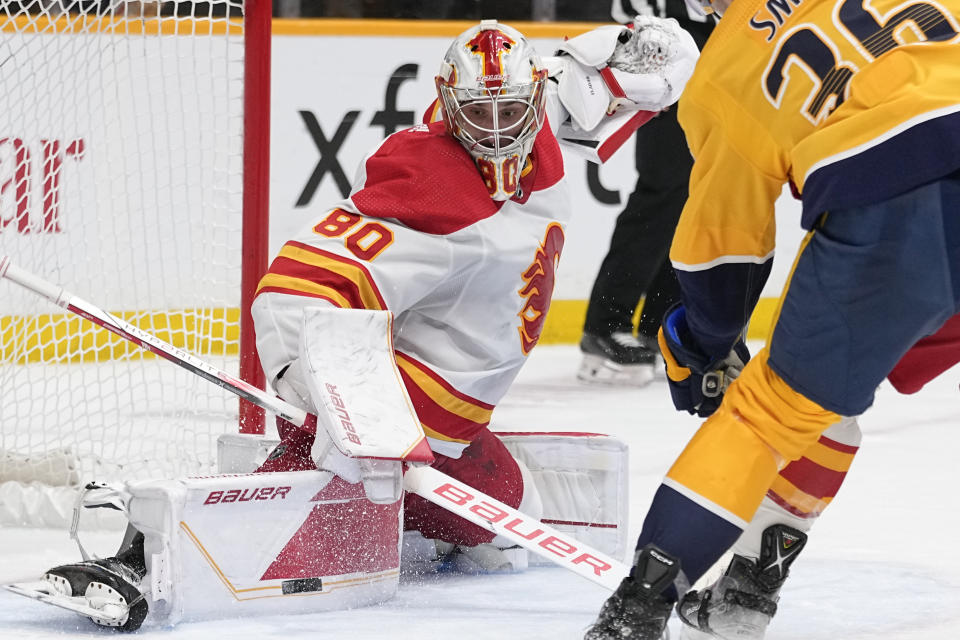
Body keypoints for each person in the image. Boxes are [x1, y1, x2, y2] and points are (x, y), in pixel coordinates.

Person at [586, 0, 960, 638]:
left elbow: (724, 246)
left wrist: (701, 339)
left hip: (906, 200)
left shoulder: (727, 64)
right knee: (827, 399)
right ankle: (745, 591)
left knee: (772, 412)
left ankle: (635, 615)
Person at [578, 0, 715, 387]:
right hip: (673, 65)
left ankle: (659, 325)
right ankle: (606, 323)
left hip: (723, 71)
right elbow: (628, 7)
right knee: (662, 194)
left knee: (696, 200)